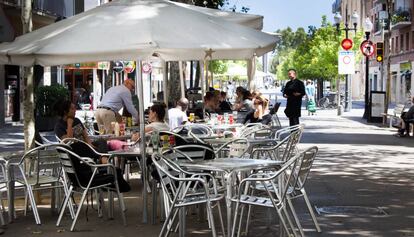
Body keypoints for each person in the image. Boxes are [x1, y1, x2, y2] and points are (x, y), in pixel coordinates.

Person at [54, 100, 130, 192]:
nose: (75, 111)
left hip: (86, 148)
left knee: (101, 141)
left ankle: (103, 165)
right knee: (78, 145)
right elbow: (68, 141)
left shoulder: (77, 120)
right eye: (72, 109)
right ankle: (103, 165)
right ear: (65, 111)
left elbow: (85, 136)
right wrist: (69, 124)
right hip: (75, 153)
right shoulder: (59, 126)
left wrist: (91, 146)